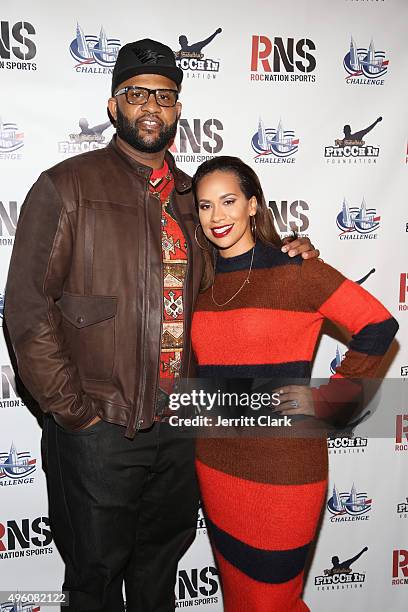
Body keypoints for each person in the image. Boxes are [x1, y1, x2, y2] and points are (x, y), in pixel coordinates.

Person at [4, 40, 319, 612]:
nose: (152, 104)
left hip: (179, 431)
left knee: (158, 577)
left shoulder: (190, 198)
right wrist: (75, 412)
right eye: (137, 92)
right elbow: (27, 309)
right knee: (94, 582)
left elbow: (228, 273)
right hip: (100, 429)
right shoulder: (67, 186)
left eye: (166, 95)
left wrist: (283, 255)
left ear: (178, 109)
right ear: (113, 105)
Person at [190, 156, 398, 612]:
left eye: (229, 201)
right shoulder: (200, 281)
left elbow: (378, 326)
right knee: (242, 601)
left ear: (252, 205)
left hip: (283, 467)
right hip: (217, 462)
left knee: (271, 601)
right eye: (205, 206)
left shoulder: (296, 269)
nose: (217, 216)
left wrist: (329, 401)